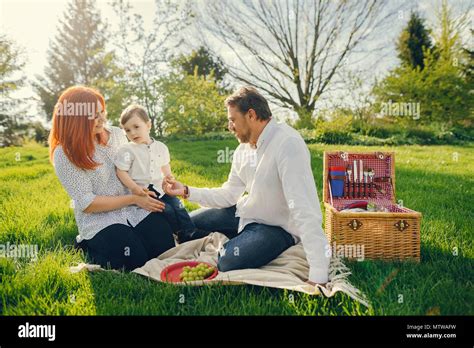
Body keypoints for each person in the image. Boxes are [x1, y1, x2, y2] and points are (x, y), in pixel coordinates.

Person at [163, 86, 330, 285]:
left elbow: (305, 208)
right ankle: (239, 238)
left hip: (276, 227)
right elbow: (229, 194)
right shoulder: (243, 149)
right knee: (187, 224)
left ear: (251, 114)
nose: (229, 126)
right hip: (244, 215)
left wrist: (318, 273)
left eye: (233, 119)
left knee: (228, 260)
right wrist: (186, 191)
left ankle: (246, 244)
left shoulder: (288, 144)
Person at [50, 86, 175, 271]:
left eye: (102, 112)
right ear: (76, 119)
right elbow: (88, 203)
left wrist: (157, 181)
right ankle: (88, 246)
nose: (103, 119)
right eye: (95, 116)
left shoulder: (116, 134)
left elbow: (135, 165)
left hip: (134, 208)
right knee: (134, 259)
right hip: (100, 218)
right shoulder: (64, 154)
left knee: (164, 245)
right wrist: (133, 199)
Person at [114, 104, 199, 243]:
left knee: (179, 207)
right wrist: (135, 188)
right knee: (168, 210)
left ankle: (190, 232)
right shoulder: (127, 150)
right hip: (143, 191)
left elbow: (165, 166)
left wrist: (169, 178)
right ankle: (178, 234)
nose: (133, 133)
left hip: (161, 188)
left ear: (148, 125)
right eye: (127, 130)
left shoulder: (161, 147)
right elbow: (121, 171)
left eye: (136, 127)